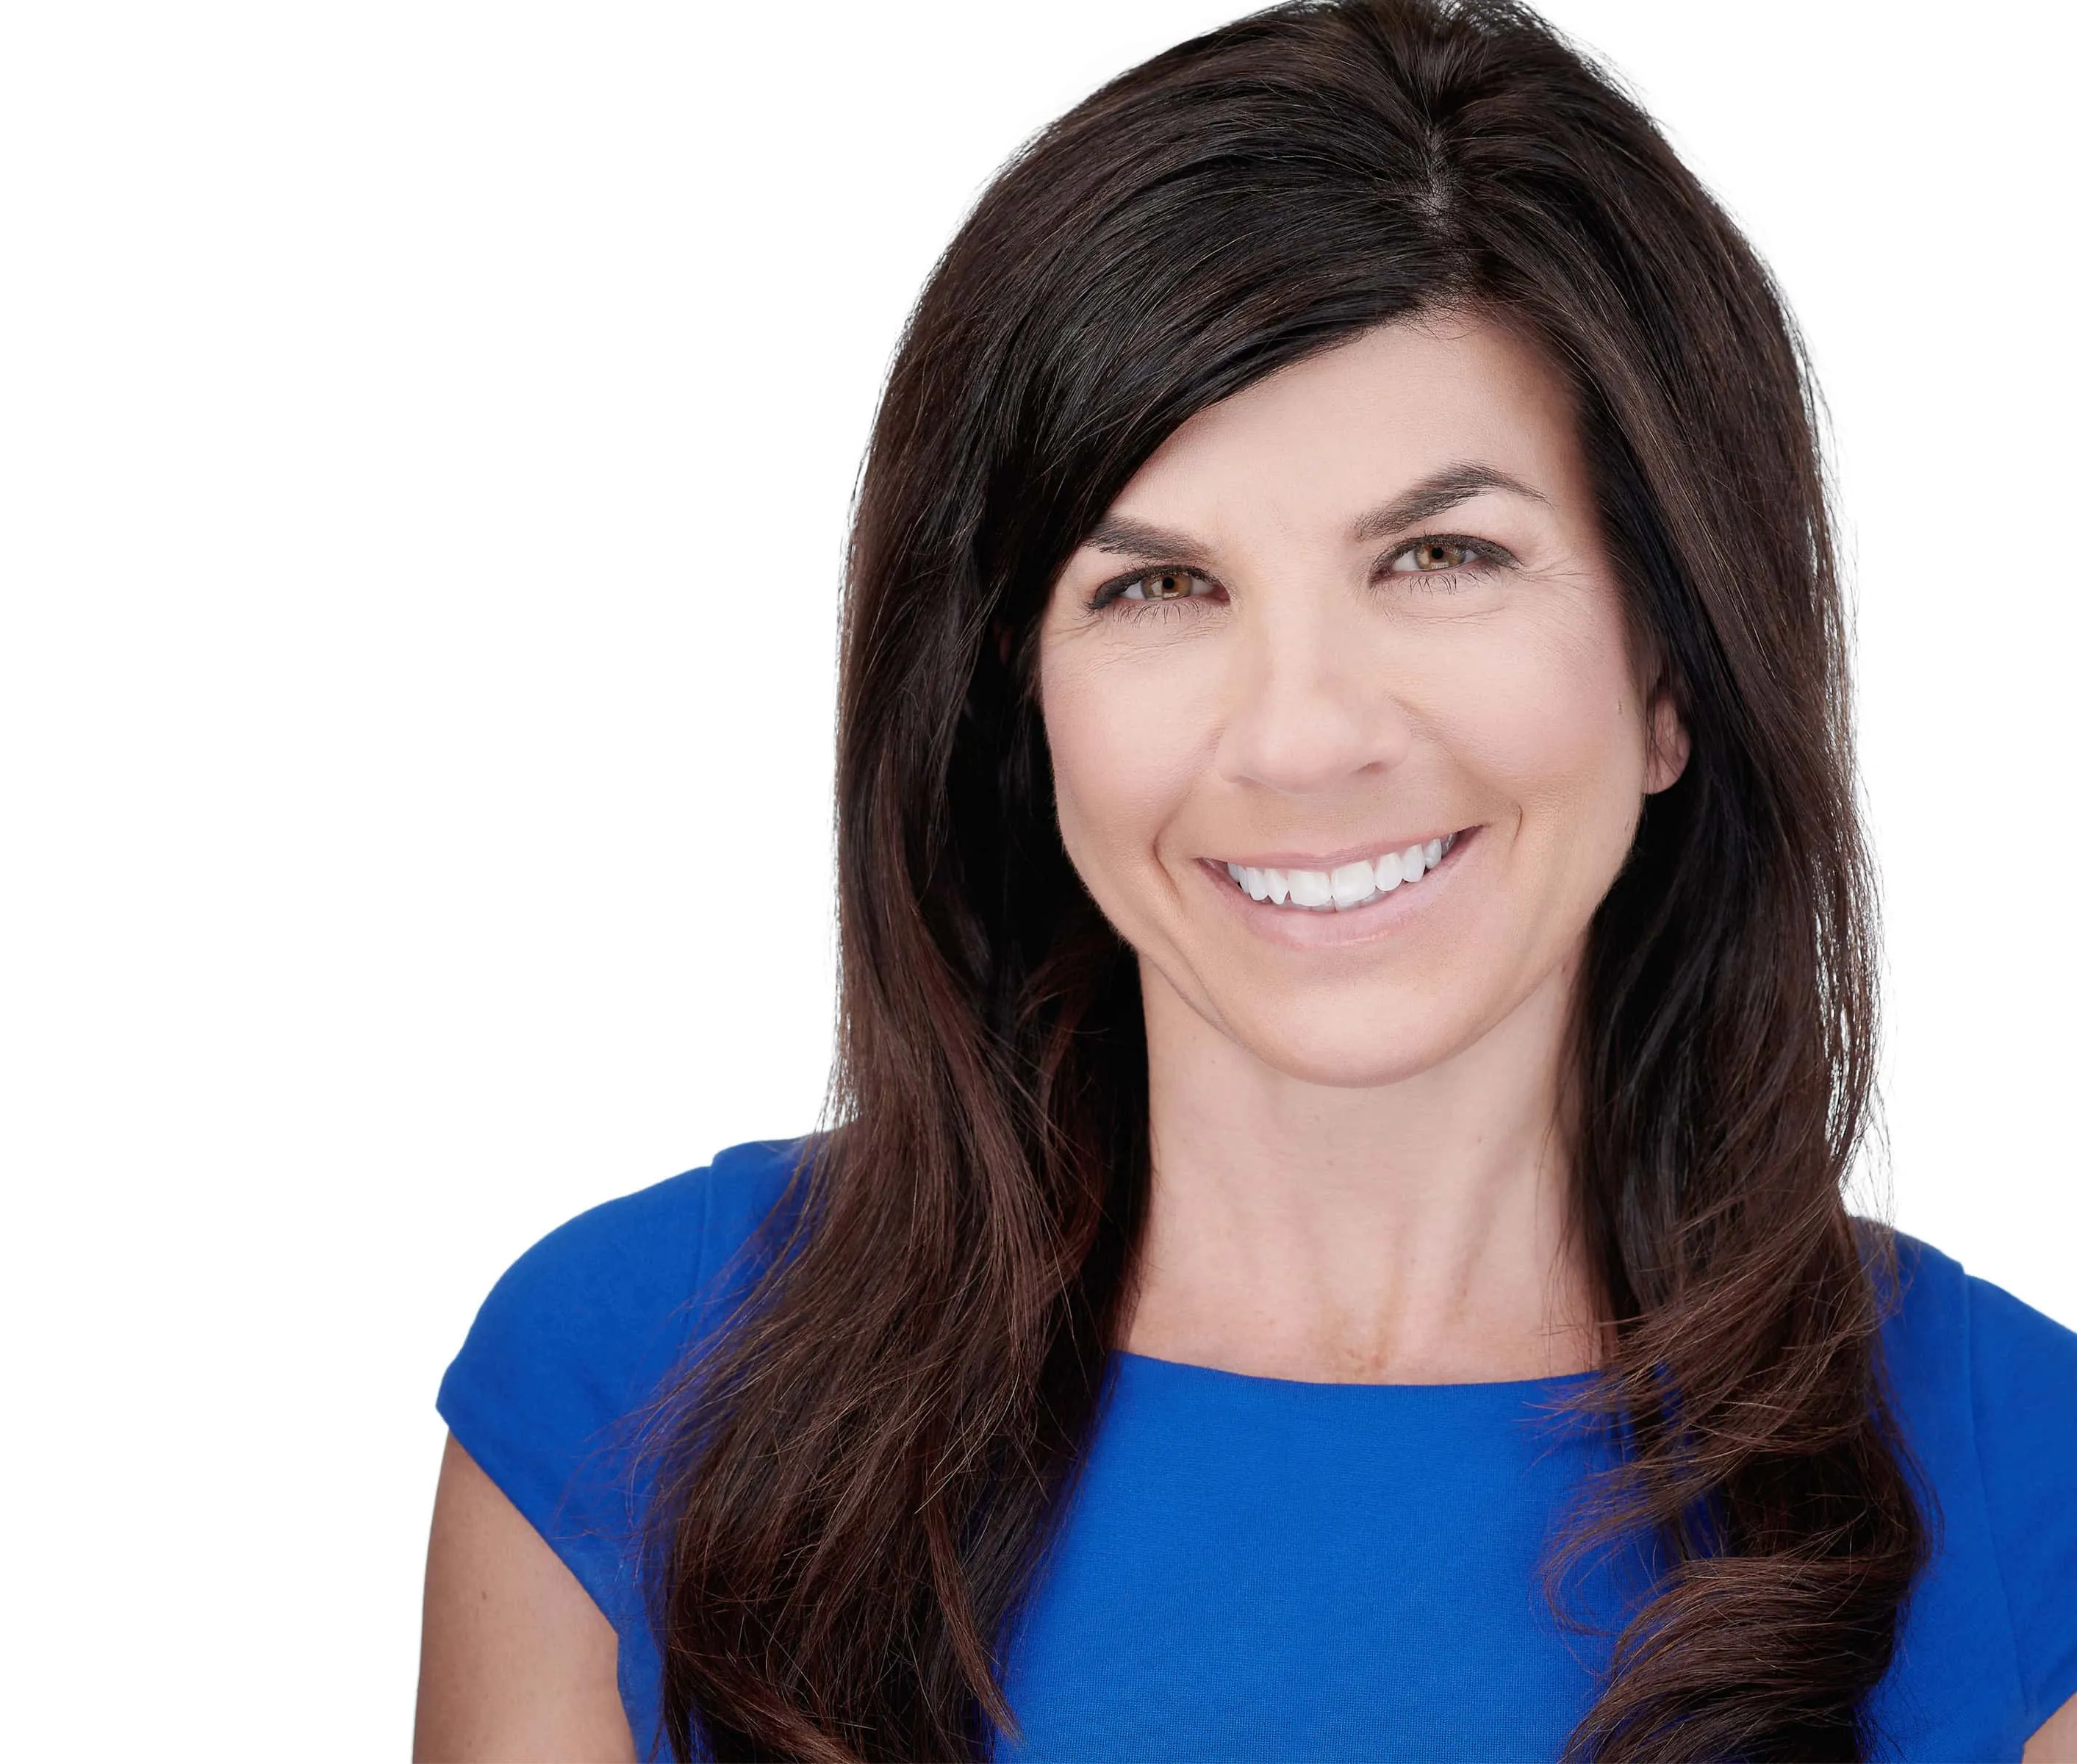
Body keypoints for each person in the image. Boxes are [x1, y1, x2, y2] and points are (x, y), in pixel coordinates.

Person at [413, 1, 2077, 1757]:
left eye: (1443, 557)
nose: (1301, 737)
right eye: (1155, 588)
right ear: (1017, 696)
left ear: (1676, 668)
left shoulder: (2019, 1483)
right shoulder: (634, 1386)